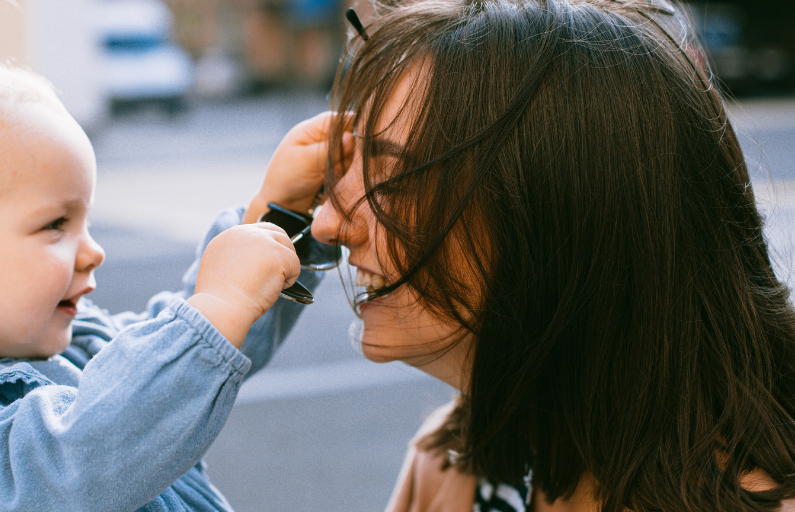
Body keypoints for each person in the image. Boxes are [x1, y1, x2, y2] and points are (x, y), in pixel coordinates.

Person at [0, 2, 338, 510]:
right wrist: (220, 304)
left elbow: (173, 362)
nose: (93, 251)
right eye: (55, 224)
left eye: (85, 221)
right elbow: (76, 461)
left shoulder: (70, 355)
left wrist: (277, 216)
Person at [295, 0, 795, 510]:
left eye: (393, 180)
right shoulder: (456, 463)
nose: (326, 224)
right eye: (348, 166)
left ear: (563, 214)